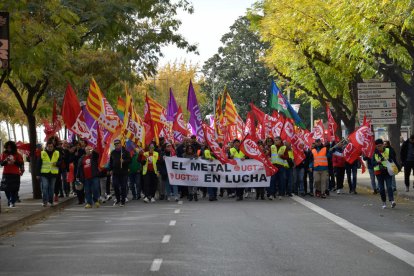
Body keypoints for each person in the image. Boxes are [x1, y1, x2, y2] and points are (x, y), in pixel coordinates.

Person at [373, 139, 396, 209]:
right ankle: (384, 202)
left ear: (383, 145)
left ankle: (392, 201)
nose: (379, 147)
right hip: (379, 173)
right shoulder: (374, 153)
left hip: (387, 171)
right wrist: (377, 162)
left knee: (389, 187)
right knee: (381, 188)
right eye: (377, 146)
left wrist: (388, 159)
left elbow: (393, 159)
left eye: (380, 146)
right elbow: (372, 163)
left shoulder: (388, 150)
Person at [37, 141, 61, 207]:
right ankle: (45, 201)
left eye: (51, 146)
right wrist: (38, 174)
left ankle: (51, 201)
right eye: (49, 146)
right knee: (45, 187)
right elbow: (38, 164)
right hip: (44, 173)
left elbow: (61, 161)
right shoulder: (42, 153)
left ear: (53, 147)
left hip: (53, 173)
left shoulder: (57, 153)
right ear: (46, 146)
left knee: (52, 188)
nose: (50, 148)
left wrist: (57, 163)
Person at [0, 141, 24, 208]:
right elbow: (1, 164)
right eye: (7, 147)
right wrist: (5, 160)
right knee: (5, 188)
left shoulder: (17, 154)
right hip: (6, 173)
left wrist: (14, 161)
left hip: (15, 174)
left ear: (13, 148)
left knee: (14, 189)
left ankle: (12, 201)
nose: (9, 149)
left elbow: (20, 164)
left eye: (10, 147)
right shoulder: (4, 154)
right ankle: (9, 200)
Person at [108, 139, 131, 207]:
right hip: (115, 172)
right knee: (115, 186)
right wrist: (110, 169)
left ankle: (123, 201)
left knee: (123, 186)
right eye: (115, 144)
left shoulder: (125, 152)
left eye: (118, 144)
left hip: (123, 172)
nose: (117, 145)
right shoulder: (113, 152)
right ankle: (118, 199)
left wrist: (124, 161)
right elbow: (111, 162)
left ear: (121, 144)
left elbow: (130, 160)